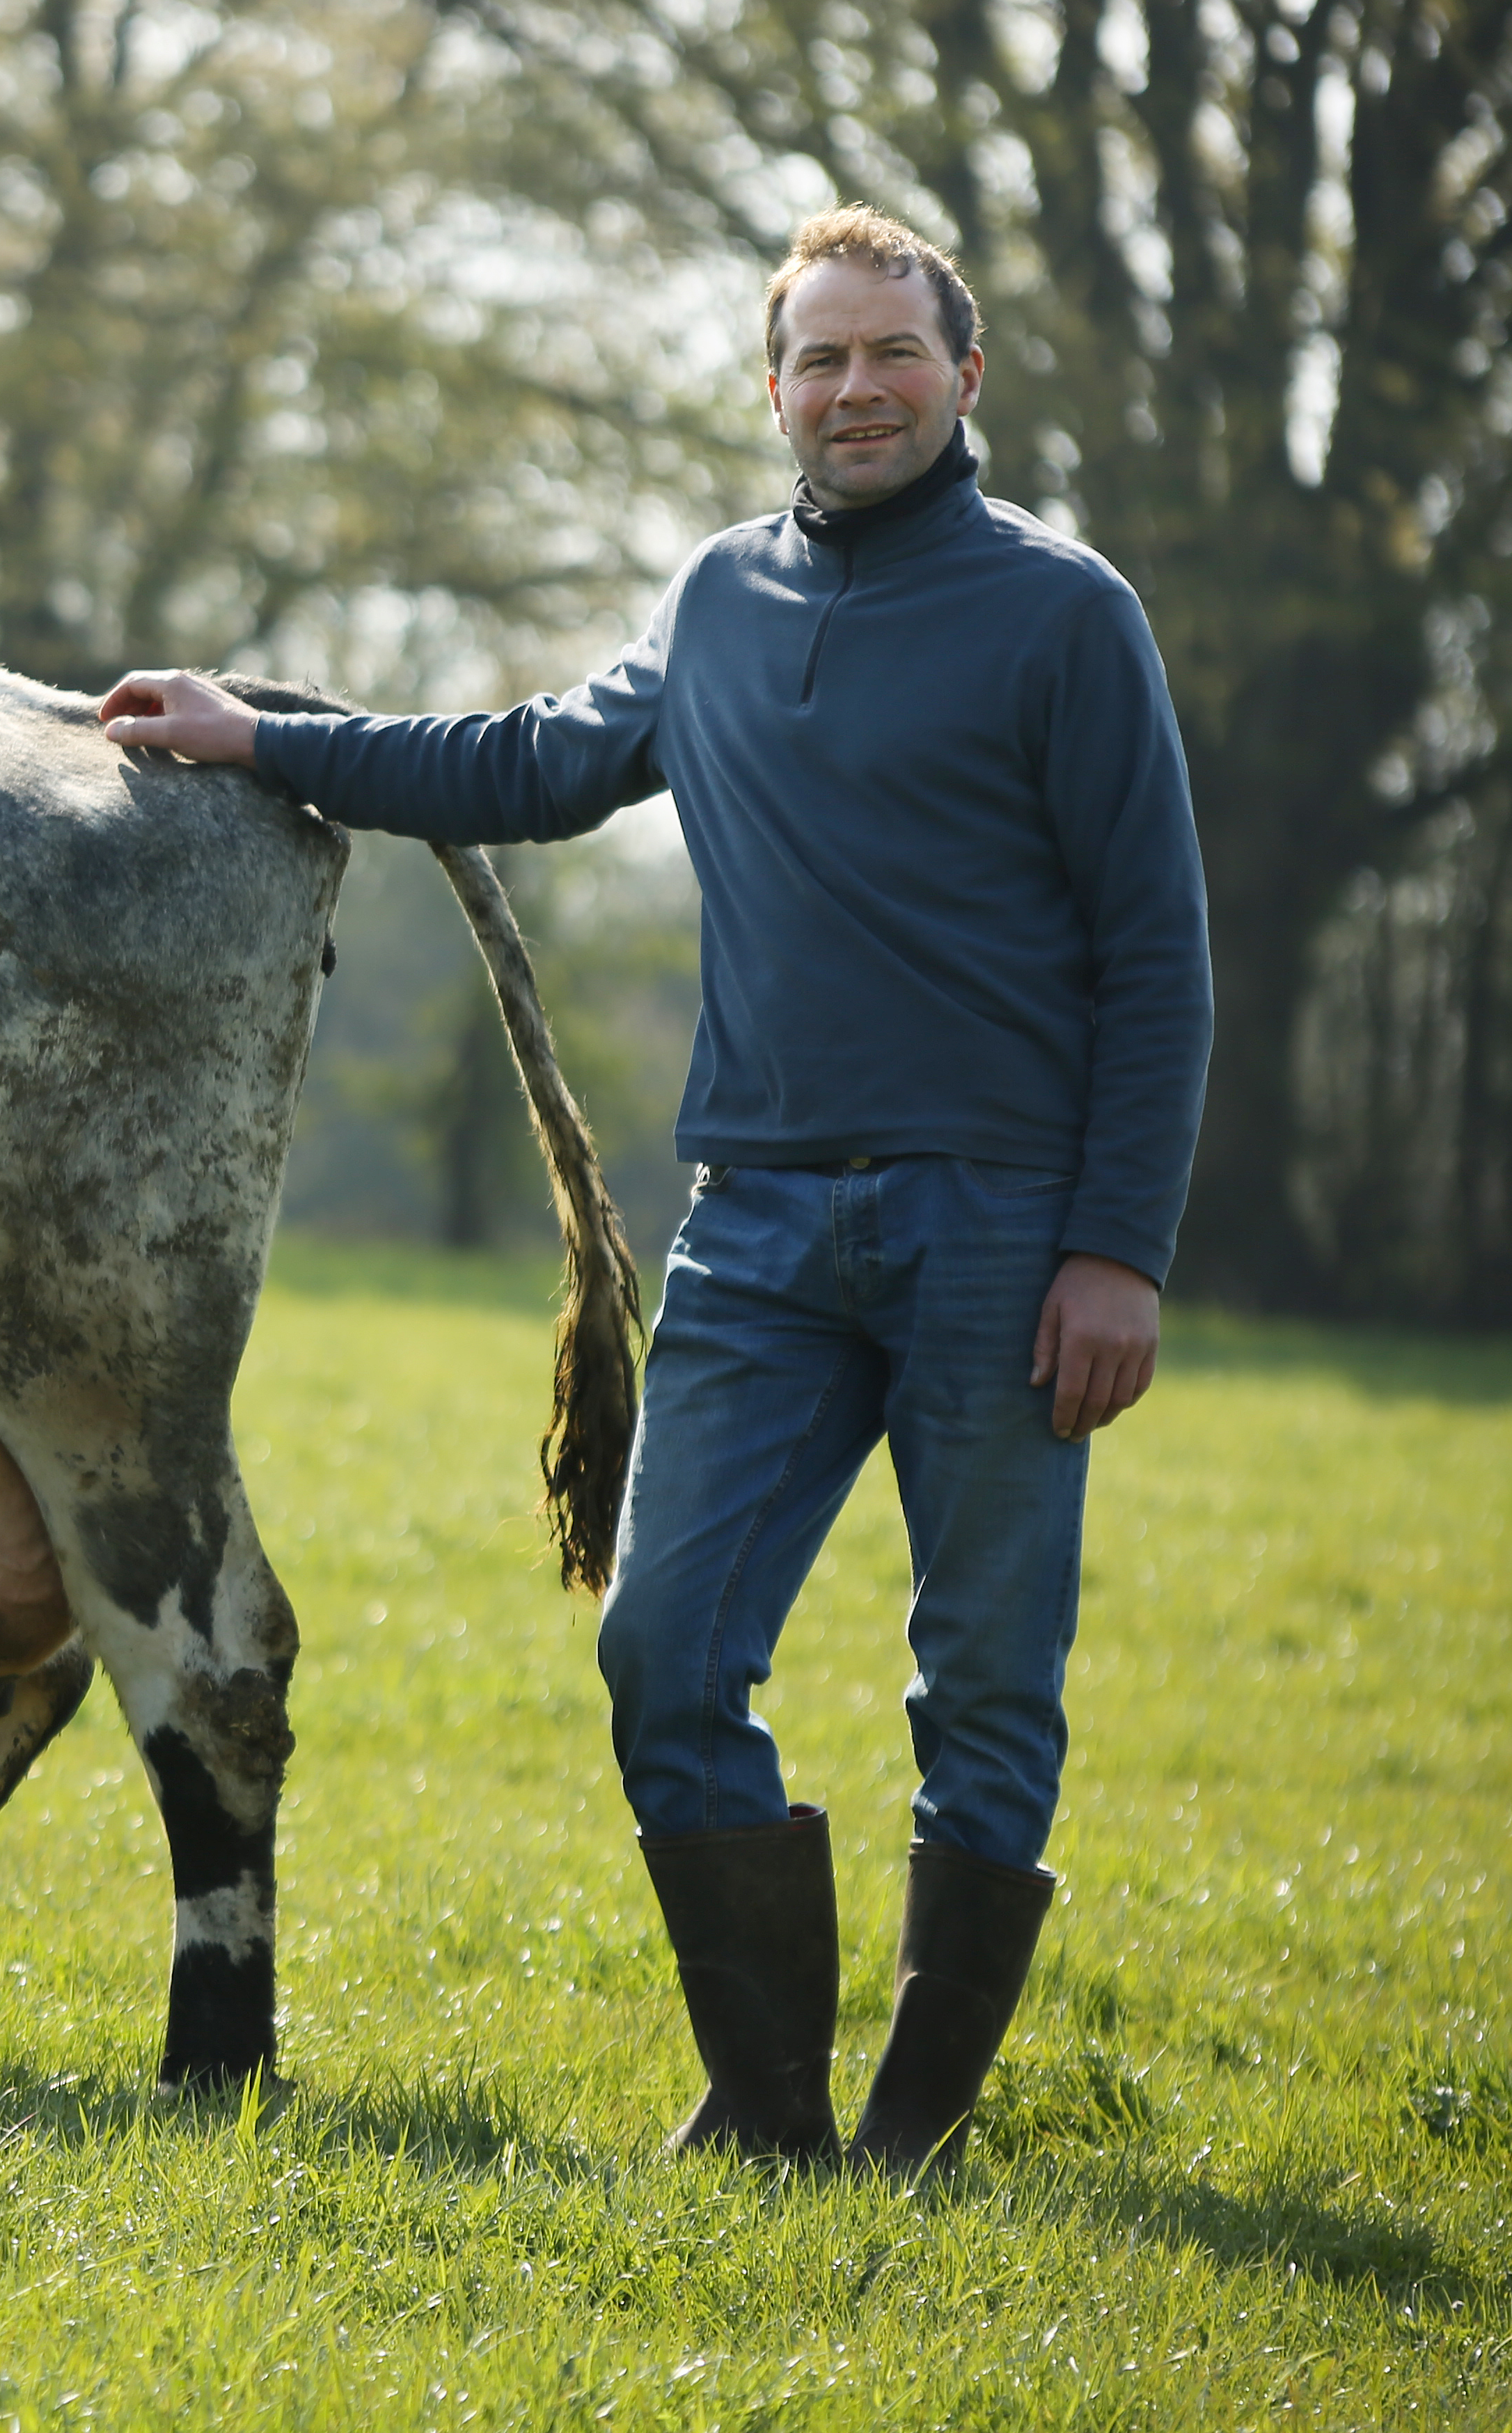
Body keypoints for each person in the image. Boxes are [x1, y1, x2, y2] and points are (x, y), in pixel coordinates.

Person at [98, 206, 1211, 2175]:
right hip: (762, 1231)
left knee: (984, 1683)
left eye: (892, 355)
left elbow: (1159, 954)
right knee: (663, 1652)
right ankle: (772, 2115)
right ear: (771, 390)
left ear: (966, 377)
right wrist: (270, 738)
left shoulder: (1064, 614)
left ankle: (916, 2131)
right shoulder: (718, 602)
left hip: (1002, 1230)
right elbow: (528, 761)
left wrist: (1117, 1249)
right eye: (819, 361)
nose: (855, 389)